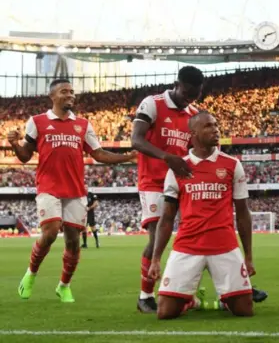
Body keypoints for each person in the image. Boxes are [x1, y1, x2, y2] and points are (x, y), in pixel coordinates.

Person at [8, 79, 136, 303]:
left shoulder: (83, 125)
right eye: (64, 92)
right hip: (48, 186)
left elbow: (99, 154)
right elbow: (26, 156)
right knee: (50, 232)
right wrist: (14, 145)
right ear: (53, 96)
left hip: (76, 189)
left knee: (73, 242)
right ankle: (31, 273)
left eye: (72, 92)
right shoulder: (36, 122)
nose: (70, 95)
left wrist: (127, 157)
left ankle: (64, 286)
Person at [148, 112, 255, 319]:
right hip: (188, 245)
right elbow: (167, 218)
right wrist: (155, 259)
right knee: (164, 312)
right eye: (208, 126)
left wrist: (248, 257)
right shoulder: (178, 168)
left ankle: (228, 298)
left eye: (216, 124)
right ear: (193, 133)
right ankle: (190, 299)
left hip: (224, 245)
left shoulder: (232, 164)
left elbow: (243, 214)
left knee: (245, 310)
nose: (215, 129)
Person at [131, 66, 203, 313]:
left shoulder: (193, 113)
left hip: (180, 182)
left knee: (191, 239)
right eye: (186, 92)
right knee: (157, 237)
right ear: (176, 84)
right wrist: (166, 157)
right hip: (152, 181)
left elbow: (195, 152)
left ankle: (185, 291)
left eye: (194, 96)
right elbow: (136, 140)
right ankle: (145, 296)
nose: (188, 99)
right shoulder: (152, 104)